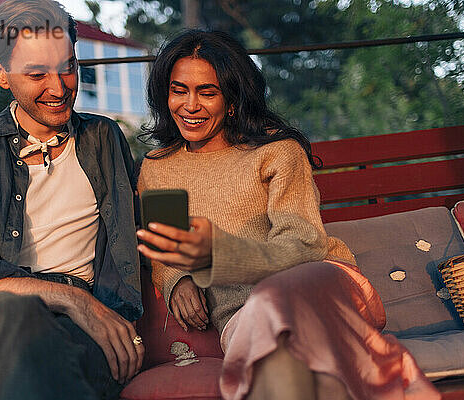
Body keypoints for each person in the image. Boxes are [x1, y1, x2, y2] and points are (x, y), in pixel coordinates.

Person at [136, 29, 441, 400]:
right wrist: (176, 280)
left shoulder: (276, 151)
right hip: (240, 314)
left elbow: (304, 246)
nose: (190, 105)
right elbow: (164, 245)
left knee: (282, 322)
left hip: (318, 284)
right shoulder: (159, 167)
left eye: (207, 92)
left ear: (232, 101)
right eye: (178, 89)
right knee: (274, 363)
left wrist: (219, 256)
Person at [0, 1, 144, 399]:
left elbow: (142, 229)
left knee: (56, 355)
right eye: (37, 73)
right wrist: (70, 298)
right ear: (1, 74)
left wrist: (180, 279)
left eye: (68, 67)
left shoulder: (103, 139)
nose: (58, 89)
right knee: (16, 315)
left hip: (76, 327)